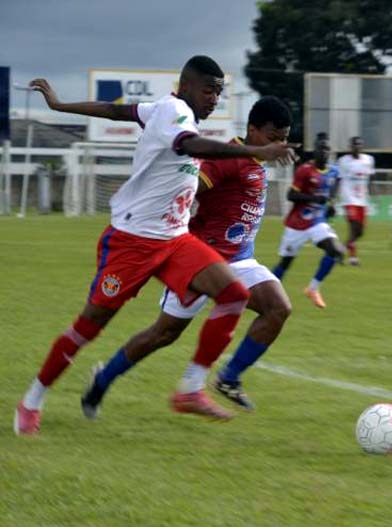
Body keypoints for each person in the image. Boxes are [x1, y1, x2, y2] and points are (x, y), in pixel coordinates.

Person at [13, 56, 296, 435]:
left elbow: (118, 111)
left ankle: (191, 389)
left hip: (175, 239)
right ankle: (32, 400)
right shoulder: (175, 112)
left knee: (233, 295)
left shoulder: (164, 109)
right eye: (209, 91)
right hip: (132, 241)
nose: (215, 99)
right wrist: (252, 153)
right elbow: (189, 145)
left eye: (219, 92)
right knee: (90, 327)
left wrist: (60, 105)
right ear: (187, 86)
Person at [80, 96, 295, 417]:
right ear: (252, 130)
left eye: (283, 139)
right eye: (273, 137)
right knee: (163, 334)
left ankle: (227, 378)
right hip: (202, 262)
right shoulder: (226, 160)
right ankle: (103, 379)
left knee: (278, 308)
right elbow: (188, 188)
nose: (278, 145)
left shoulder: (256, 162)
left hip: (240, 260)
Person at [272, 134, 346, 308]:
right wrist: (313, 198)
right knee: (285, 263)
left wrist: (331, 204)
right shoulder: (305, 170)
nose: (324, 152)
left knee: (335, 250)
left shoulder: (333, 172)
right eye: (321, 149)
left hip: (317, 222)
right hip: (296, 224)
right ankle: (266, 292)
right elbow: (291, 195)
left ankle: (313, 289)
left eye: (327, 149)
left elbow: (333, 188)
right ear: (315, 151)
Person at [336, 136, 375, 265]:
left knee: (360, 232)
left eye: (359, 145)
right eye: (355, 145)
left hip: (362, 200)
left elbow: (371, 177)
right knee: (353, 227)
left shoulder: (368, 160)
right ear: (350, 147)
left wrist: (374, 193)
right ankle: (353, 258)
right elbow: (338, 179)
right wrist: (333, 196)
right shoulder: (343, 161)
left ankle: (341, 250)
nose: (357, 147)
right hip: (348, 199)